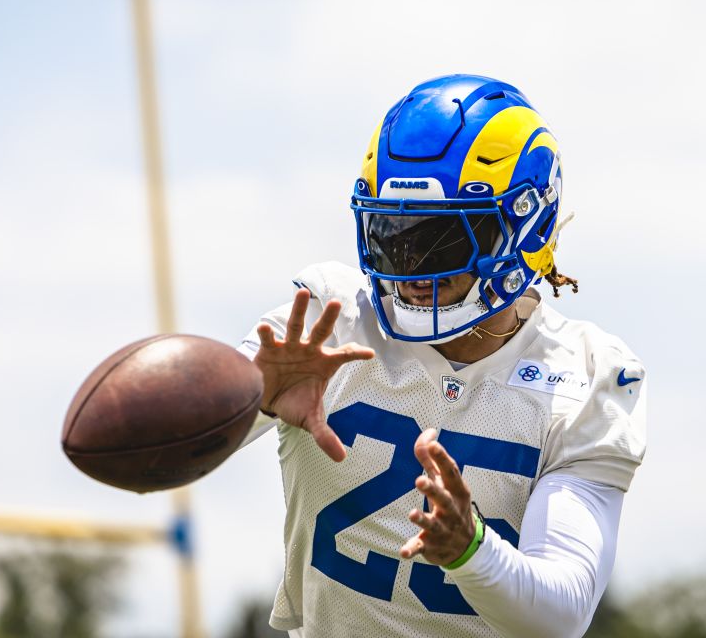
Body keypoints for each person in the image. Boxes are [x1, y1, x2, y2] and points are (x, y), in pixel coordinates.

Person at [236, 74, 647, 638]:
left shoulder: (582, 378)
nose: (411, 266)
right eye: (394, 233)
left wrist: (471, 550)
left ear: (527, 226)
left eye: (445, 238)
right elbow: (166, 443)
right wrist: (243, 398)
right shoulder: (330, 322)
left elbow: (561, 615)